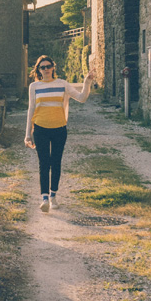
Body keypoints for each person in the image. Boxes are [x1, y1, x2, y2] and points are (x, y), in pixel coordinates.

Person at [24, 55, 94, 212]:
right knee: (44, 163)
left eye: (48, 66)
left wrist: (87, 82)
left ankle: (53, 196)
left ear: (53, 68)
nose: (46, 69)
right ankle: (44, 198)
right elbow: (31, 109)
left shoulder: (62, 84)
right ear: (38, 70)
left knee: (56, 162)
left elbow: (81, 98)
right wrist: (28, 134)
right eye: (43, 67)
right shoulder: (34, 86)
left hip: (59, 129)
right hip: (40, 129)